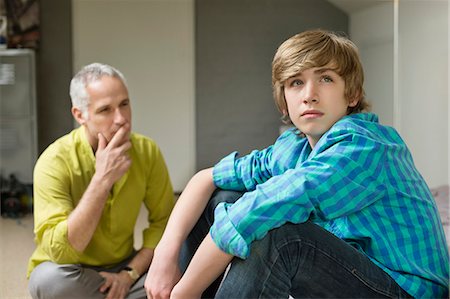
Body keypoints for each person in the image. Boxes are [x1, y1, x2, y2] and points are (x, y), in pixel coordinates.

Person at [144, 29, 449, 299]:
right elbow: (206, 178)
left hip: (403, 289)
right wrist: (164, 256)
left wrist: (187, 291)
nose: (309, 95)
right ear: (284, 100)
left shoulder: (364, 145)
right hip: (358, 273)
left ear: (352, 94)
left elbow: (256, 212)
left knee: (281, 237)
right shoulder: (292, 147)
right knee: (222, 198)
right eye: (296, 82)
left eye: (326, 79)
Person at [27, 63, 175, 299]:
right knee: (48, 281)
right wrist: (102, 180)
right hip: (72, 271)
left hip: (127, 268)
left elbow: (165, 223)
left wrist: (129, 274)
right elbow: (61, 253)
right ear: (79, 115)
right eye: (105, 110)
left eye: (124, 104)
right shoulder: (53, 162)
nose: (121, 119)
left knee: (182, 272)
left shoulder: (147, 151)